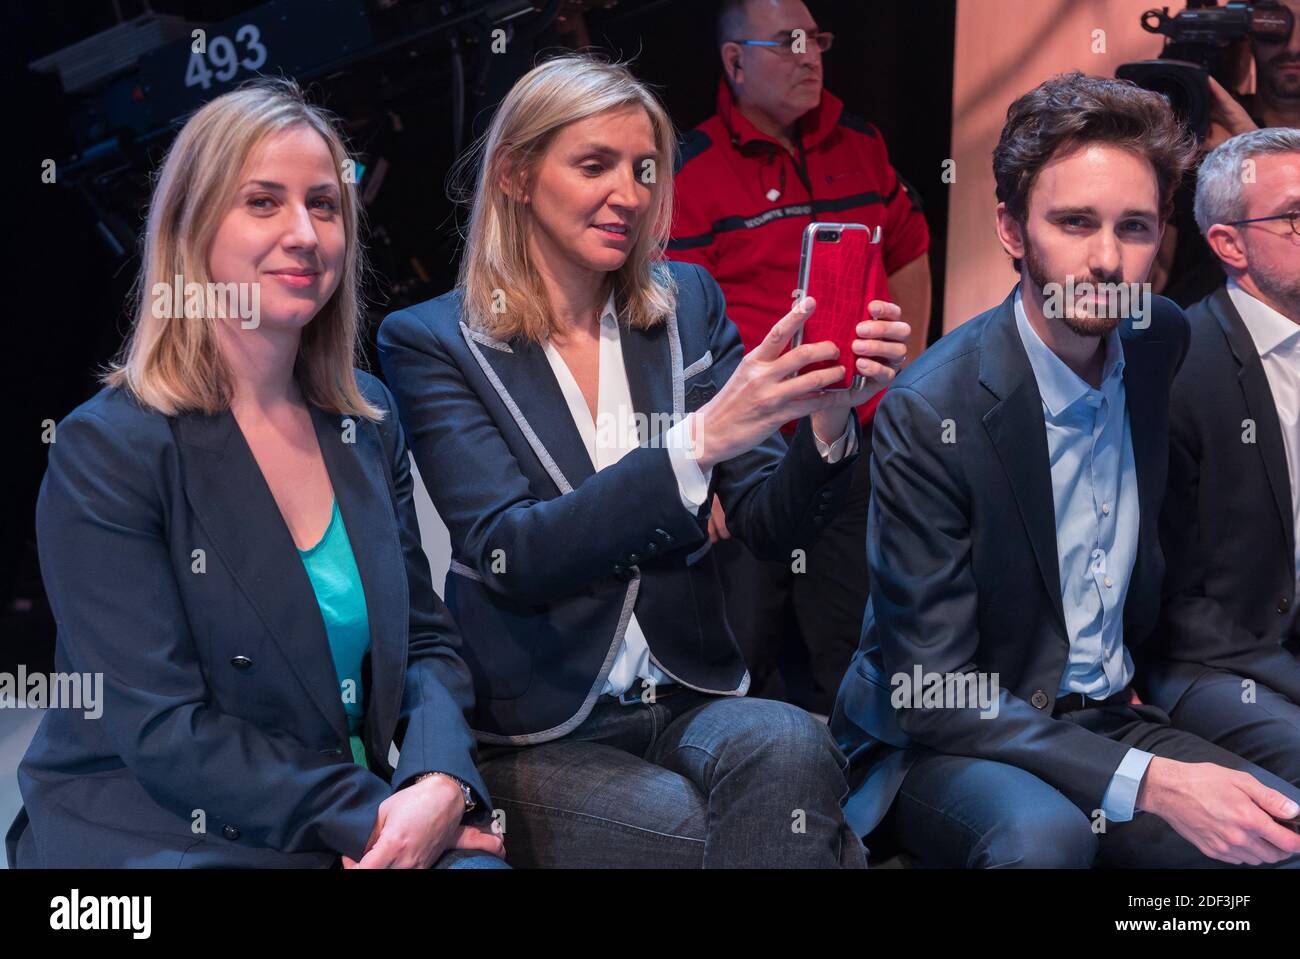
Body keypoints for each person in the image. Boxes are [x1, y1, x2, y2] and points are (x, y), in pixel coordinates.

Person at [378, 53, 910, 868]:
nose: (628, 193)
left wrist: (829, 417)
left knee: (793, 742)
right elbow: (511, 551)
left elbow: (769, 524)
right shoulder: (432, 340)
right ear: (517, 174)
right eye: (594, 165)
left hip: (693, 690)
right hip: (539, 725)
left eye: (643, 168)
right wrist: (694, 443)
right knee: (718, 829)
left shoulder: (684, 303)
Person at [5, 79, 505, 870]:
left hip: (347, 803)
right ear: (193, 229)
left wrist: (440, 777)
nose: (305, 233)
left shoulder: (365, 415)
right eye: (263, 202)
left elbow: (425, 641)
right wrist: (378, 814)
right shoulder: (105, 450)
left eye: (325, 204)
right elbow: (163, 730)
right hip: (162, 827)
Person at [832, 71, 1300, 868]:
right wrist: (1153, 782)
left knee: (1278, 839)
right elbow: (932, 687)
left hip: (1107, 710)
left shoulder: (1158, 339)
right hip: (947, 729)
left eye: (1136, 228)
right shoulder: (930, 408)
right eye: (1075, 223)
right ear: (1013, 229)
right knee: (1042, 843)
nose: (1108, 260)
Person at [668, 0, 931, 713]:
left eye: (816, 38)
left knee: (852, 645)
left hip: (849, 440)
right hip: (748, 454)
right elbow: (673, 328)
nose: (811, 54)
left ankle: (857, 810)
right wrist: (707, 462)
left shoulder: (861, 141)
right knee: (740, 656)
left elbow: (909, 246)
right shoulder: (688, 167)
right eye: (787, 42)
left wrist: (903, 376)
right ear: (735, 62)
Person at [1147, 129, 1300, 787]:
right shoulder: (1180, 366)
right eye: (1296, 217)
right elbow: (1172, 596)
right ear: (1229, 244)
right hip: (1217, 662)